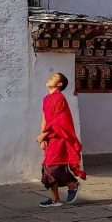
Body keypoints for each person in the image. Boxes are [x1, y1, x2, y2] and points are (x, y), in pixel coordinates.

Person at [37, 73, 86, 208]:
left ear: (59, 84)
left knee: (51, 167)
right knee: (49, 168)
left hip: (60, 137)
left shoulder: (59, 98)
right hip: (50, 137)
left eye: (54, 77)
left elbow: (59, 121)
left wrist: (44, 134)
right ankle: (57, 199)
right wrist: (43, 137)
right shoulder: (46, 98)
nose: (49, 78)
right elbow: (45, 118)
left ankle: (72, 184)